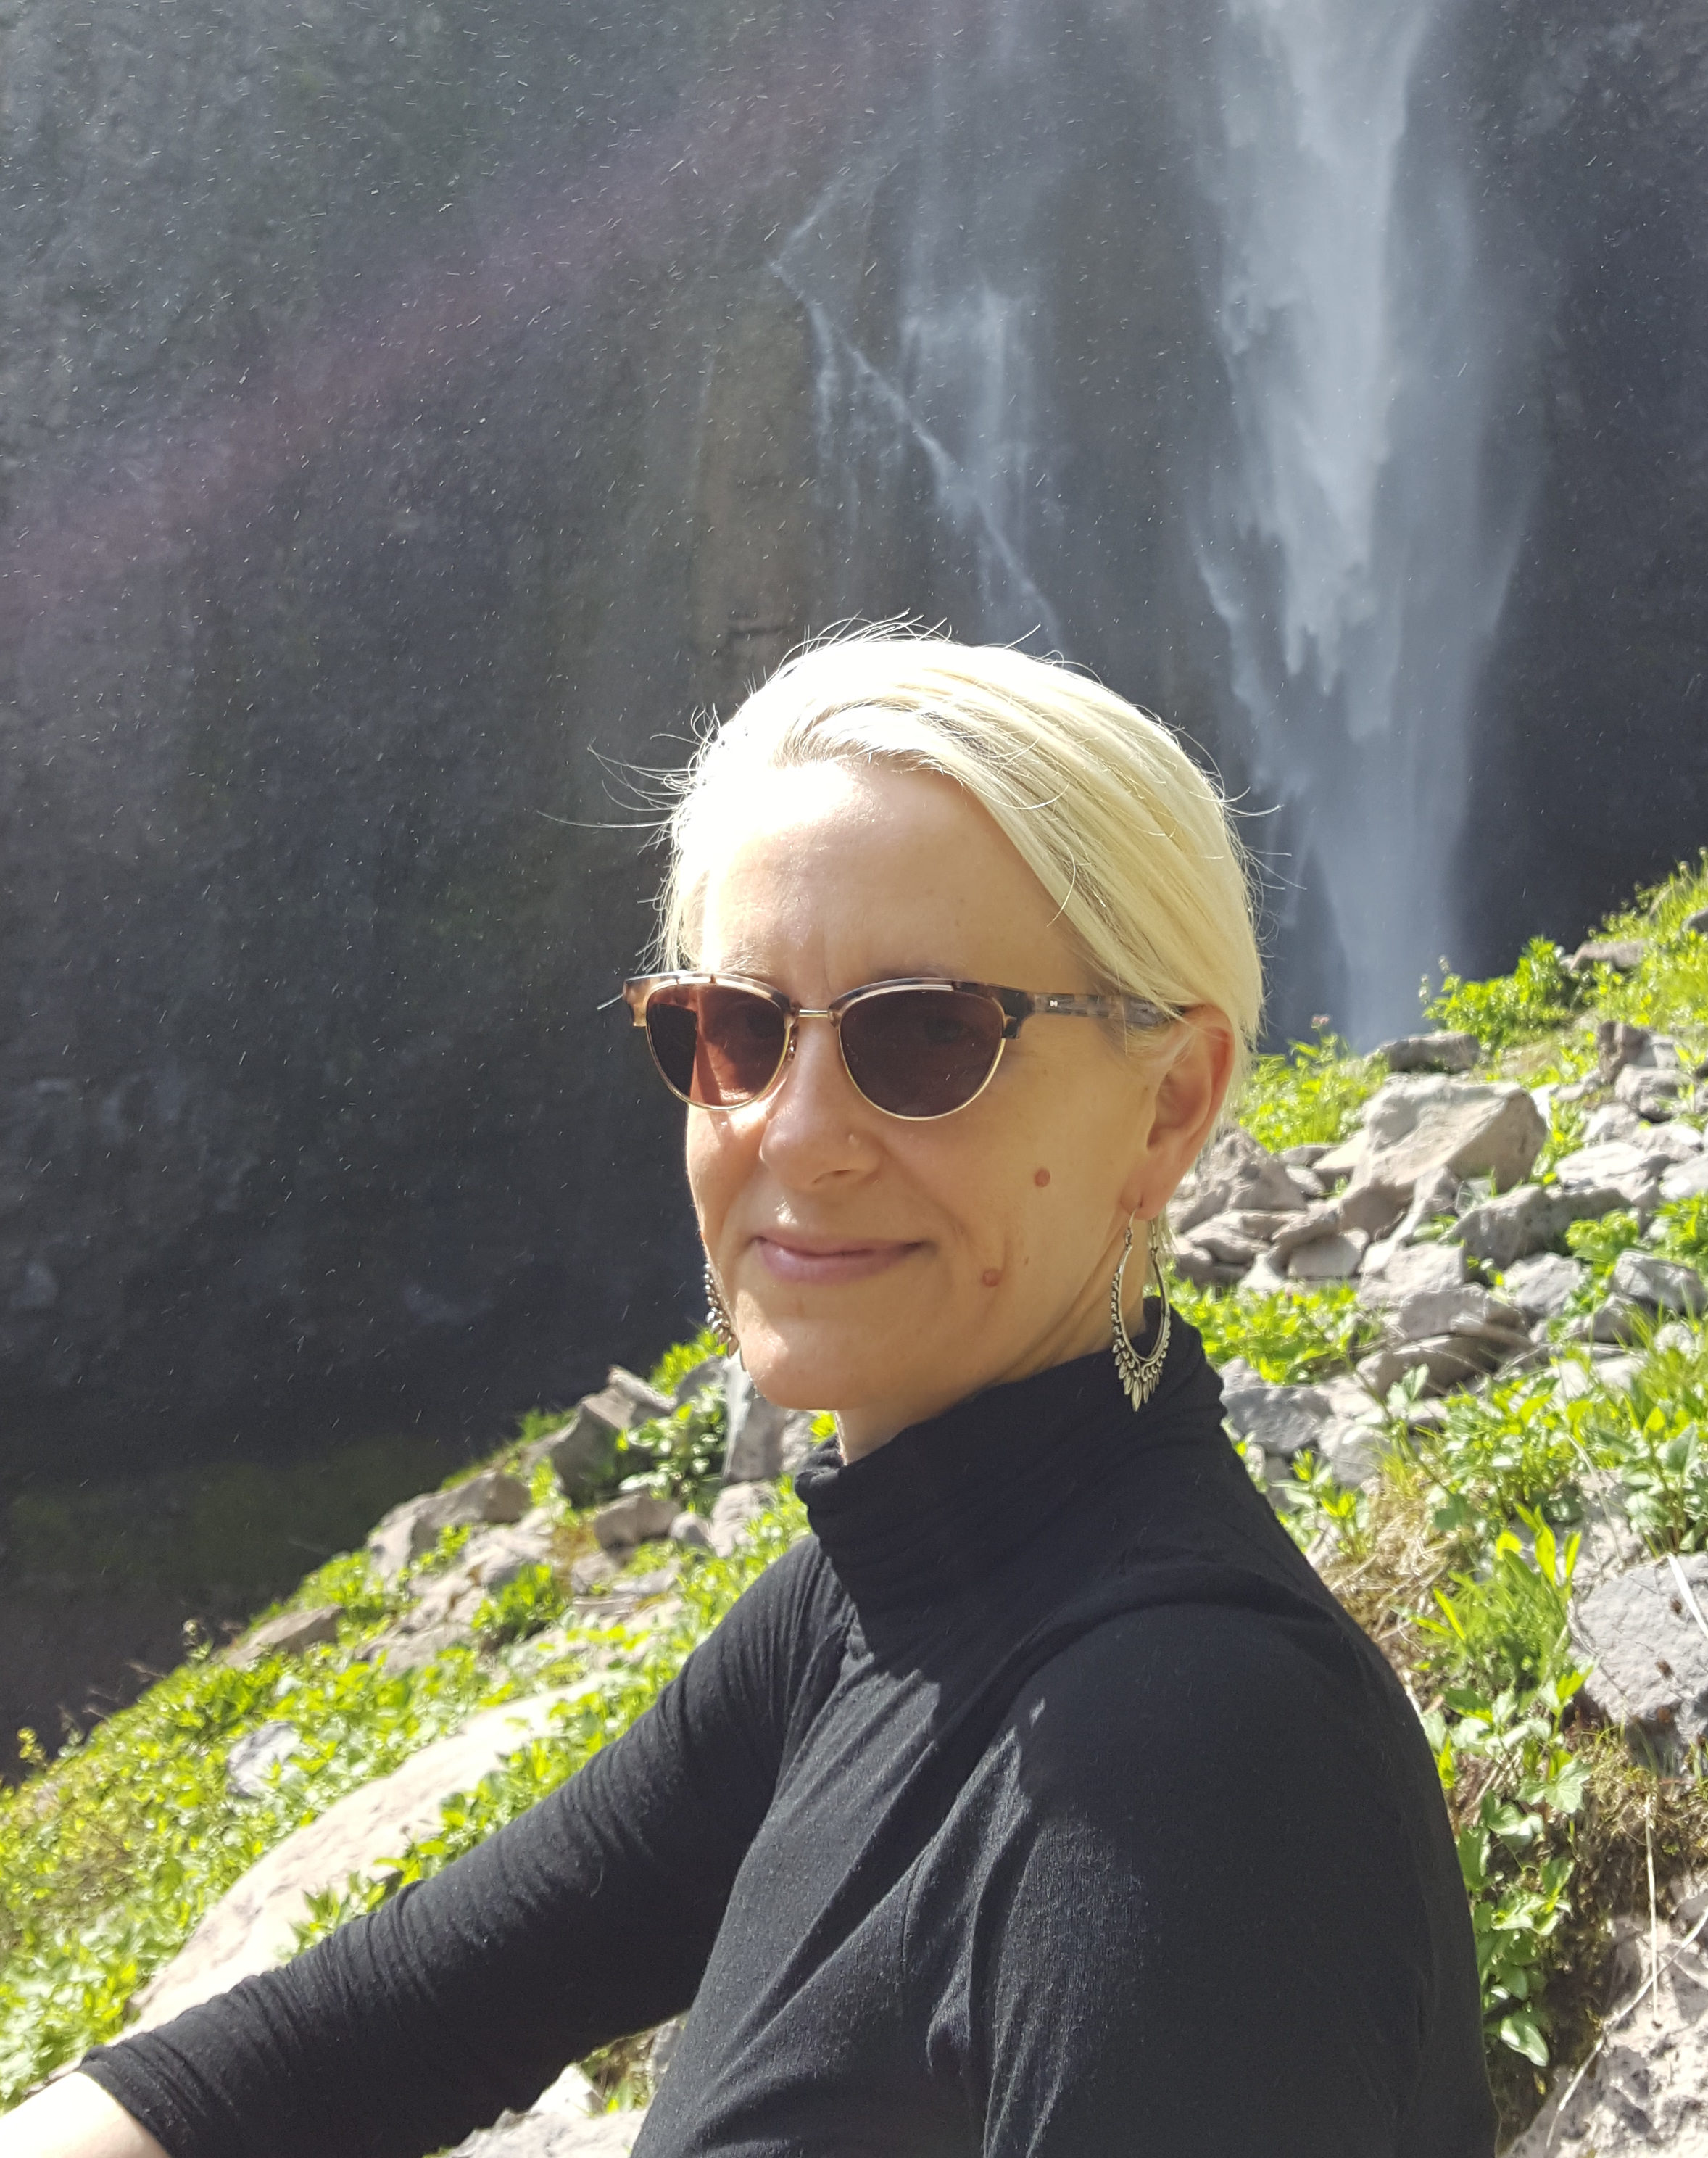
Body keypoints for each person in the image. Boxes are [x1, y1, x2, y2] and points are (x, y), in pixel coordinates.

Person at [1, 634, 1495, 2158]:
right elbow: (391, 2021)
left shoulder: (1187, 1769)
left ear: (1167, 1105)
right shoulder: (860, 1610)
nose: (797, 1135)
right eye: (734, 1029)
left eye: (927, 1033)